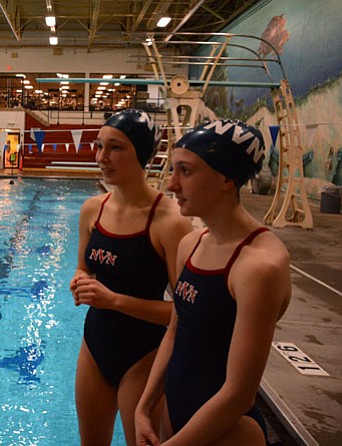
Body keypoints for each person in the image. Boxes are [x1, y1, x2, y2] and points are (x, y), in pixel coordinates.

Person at [135, 120, 291, 446]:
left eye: (186, 172)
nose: (171, 184)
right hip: (175, 418)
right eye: (173, 170)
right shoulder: (191, 244)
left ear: (226, 178)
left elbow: (239, 394)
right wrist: (144, 406)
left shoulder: (258, 265)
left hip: (227, 431)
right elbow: (176, 332)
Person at [69, 109, 192, 446]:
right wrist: (79, 280)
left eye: (116, 148)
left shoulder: (170, 222)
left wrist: (114, 301)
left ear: (142, 156)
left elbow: (185, 313)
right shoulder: (92, 210)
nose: (102, 158)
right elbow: (83, 267)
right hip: (94, 347)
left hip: (144, 355)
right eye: (98, 146)